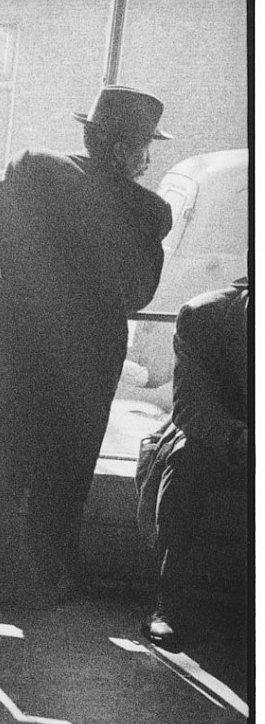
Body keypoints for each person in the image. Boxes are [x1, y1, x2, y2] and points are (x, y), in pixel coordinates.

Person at [0, 86, 174, 605]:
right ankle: (51, 578)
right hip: (87, 361)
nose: (148, 160)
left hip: (14, 346)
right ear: (122, 149)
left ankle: (3, 569)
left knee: (4, 463)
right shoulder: (147, 210)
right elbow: (136, 296)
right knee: (66, 473)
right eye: (144, 147)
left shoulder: (33, 168)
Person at [136, 276, 250, 650]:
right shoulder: (203, 317)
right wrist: (238, 439)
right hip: (219, 439)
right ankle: (167, 604)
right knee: (185, 463)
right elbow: (191, 408)